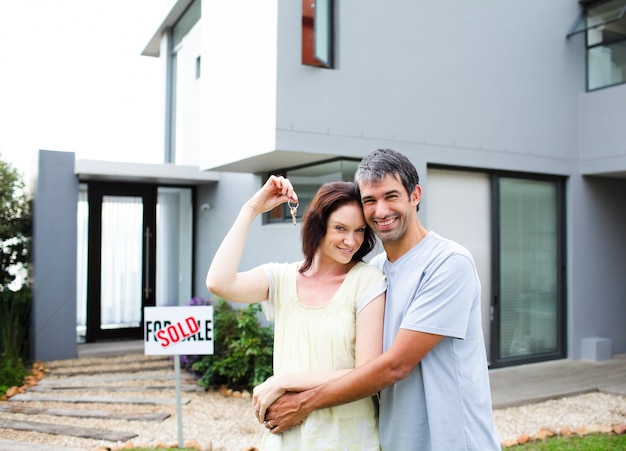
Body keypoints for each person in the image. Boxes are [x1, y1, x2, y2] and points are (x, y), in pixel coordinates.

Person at [263, 149, 501, 450]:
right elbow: (357, 364)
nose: (380, 210)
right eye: (369, 201)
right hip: (394, 441)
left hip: (451, 440)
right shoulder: (372, 274)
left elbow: (395, 366)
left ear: (415, 195)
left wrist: (299, 398)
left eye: (391, 196)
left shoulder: (449, 263)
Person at [205, 175, 387, 450]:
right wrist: (251, 208)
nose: (351, 241)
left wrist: (284, 382)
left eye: (360, 230)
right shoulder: (281, 278)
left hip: (348, 438)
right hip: (287, 437)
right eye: (340, 228)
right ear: (318, 226)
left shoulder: (368, 281)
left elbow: (367, 374)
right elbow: (219, 282)